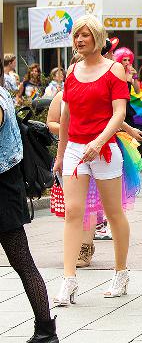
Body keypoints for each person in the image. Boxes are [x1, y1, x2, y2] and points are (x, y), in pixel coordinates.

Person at [53, 14, 132, 304]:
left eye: (85, 34)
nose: (79, 39)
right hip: (75, 148)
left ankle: (121, 271)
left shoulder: (115, 70)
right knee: (74, 212)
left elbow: (119, 113)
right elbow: (66, 115)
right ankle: (69, 279)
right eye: (76, 35)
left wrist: (99, 142)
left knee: (113, 214)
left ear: (97, 38)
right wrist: (60, 155)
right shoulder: (72, 70)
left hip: (105, 148)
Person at [0, 85, 59, 342]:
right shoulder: (3, 92)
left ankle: (46, 330)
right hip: (7, 187)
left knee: (23, 262)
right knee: (23, 263)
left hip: (3, 190)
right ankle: (46, 330)